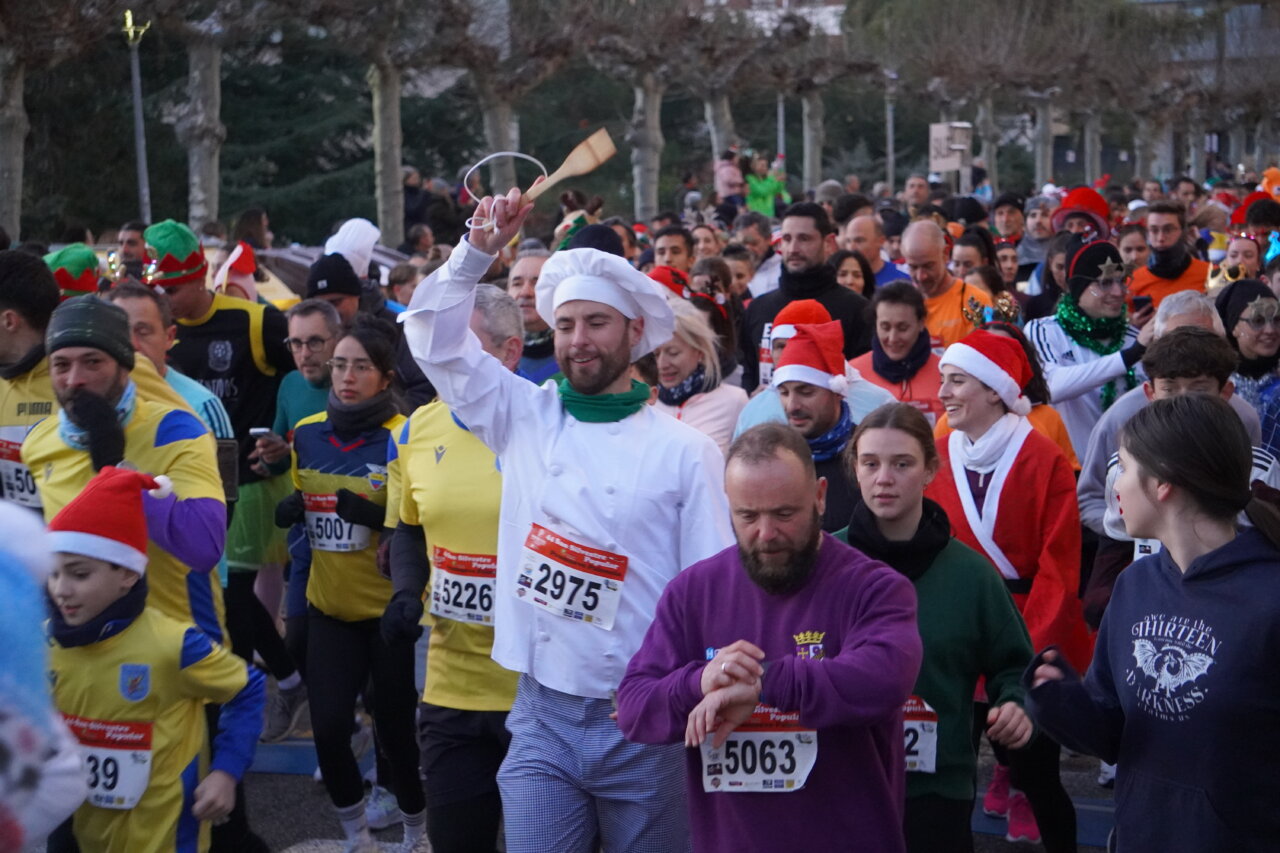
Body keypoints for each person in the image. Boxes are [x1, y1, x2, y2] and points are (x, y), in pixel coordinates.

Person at [400, 186, 734, 852]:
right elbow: (432, 341)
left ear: (635, 332)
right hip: (542, 713)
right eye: (567, 324)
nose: (579, 341)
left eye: (597, 323)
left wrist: (711, 688)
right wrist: (474, 253)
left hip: (645, 717)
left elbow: (714, 594)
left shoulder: (685, 451)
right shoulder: (522, 415)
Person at [616, 422, 923, 853]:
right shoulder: (692, 592)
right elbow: (633, 707)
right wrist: (701, 682)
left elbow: (885, 679)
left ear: (819, 497)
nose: (765, 533)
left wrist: (761, 683)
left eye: (784, 513)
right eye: (747, 515)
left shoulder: (874, 587)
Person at [1026, 394, 1280, 851]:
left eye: (1122, 466)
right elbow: (1116, 733)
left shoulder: (1269, 598)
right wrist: (1063, 703)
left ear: (1162, 483)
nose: (1114, 485)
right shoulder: (1135, 584)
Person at [838, 404, 1033, 853]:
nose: (884, 478)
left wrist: (1018, 705)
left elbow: (1017, 669)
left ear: (930, 471)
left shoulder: (971, 576)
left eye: (902, 464)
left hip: (936, 793)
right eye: (870, 463)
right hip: (839, 785)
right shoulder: (824, 564)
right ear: (855, 469)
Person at [925, 329, 1088, 852]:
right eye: (943, 380)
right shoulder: (939, 451)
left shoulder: (1043, 459)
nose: (943, 392)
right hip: (954, 633)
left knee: (1037, 773)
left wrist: (1025, 655)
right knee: (947, 772)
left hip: (1023, 628)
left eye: (956, 381)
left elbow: (1060, 568)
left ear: (994, 390)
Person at [45, 466, 265, 853]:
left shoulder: (172, 644)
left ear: (127, 574)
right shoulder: (45, 640)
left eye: (79, 574)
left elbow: (248, 688)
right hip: (79, 832)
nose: (62, 590)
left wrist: (226, 773)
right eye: (54, 574)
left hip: (163, 837)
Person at [380, 284, 522, 853]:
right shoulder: (415, 431)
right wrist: (406, 593)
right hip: (452, 685)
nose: (447, 362)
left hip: (537, 691)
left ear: (510, 352)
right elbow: (409, 527)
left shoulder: (544, 424)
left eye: (463, 347)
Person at [274, 316, 423, 852]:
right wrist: (294, 510)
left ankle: (414, 833)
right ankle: (356, 837)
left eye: (361, 367)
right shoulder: (308, 433)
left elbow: (417, 518)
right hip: (330, 609)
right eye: (340, 365)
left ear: (385, 378)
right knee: (331, 729)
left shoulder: (401, 435)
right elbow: (307, 507)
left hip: (388, 615)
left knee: (398, 735)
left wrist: (370, 510)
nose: (346, 376)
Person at [21, 295, 227, 639]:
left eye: (92, 362)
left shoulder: (176, 431)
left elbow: (204, 548)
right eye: (61, 365)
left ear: (124, 366)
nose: (75, 380)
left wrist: (115, 470)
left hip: (177, 653)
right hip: (82, 653)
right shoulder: (38, 441)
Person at [1077, 292, 1261, 540]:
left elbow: (1254, 494)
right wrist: (1135, 533)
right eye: (1176, 338)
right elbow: (1091, 499)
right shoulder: (1121, 418)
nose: (1188, 350)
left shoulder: (1244, 417)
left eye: (1201, 338)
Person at [1025, 236, 1153, 459]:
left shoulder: (1136, 340)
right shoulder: (1044, 331)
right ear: (1077, 288)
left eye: (1122, 281)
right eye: (1104, 283)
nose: (1118, 292)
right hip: (1069, 473)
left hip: (1126, 476)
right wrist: (1128, 357)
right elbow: (1051, 386)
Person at [739, 203, 872, 391]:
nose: (793, 248)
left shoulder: (857, 310)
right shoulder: (758, 308)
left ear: (828, 243)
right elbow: (749, 374)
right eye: (786, 238)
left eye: (804, 239)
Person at [102, 282, 234, 442]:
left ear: (169, 337)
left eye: (143, 332)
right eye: (121, 332)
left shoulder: (201, 405)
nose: (133, 344)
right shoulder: (94, 396)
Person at [772, 321, 863, 531]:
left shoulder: (867, 453)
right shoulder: (774, 455)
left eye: (805, 392)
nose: (792, 406)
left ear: (837, 392)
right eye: (784, 393)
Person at [653, 300, 748, 455]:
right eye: (656, 354)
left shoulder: (734, 401)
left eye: (673, 353)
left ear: (699, 352)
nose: (662, 364)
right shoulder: (646, 403)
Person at [850, 282, 944, 424]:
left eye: (903, 328)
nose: (893, 338)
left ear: (921, 323)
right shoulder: (853, 375)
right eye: (885, 327)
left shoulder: (944, 374)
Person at [901, 220, 992, 351]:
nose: (921, 276)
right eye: (913, 267)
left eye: (928, 266)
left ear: (945, 254)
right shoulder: (901, 305)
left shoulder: (976, 301)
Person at [1129, 200, 1210, 309]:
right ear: (1147, 233)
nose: (1161, 238)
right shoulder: (1133, 281)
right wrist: (1134, 323)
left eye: (1168, 230)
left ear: (1183, 232)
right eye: (1154, 230)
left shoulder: (1209, 274)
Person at [1216, 277, 1280, 411]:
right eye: (1258, 321)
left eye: (1277, 320)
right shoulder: (1218, 380)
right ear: (1234, 328)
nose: (1270, 330)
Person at [503, 249, 558, 384]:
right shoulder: (491, 356)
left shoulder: (578, 355)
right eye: (517, 283)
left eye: (537, 283)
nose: (525, 292)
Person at [847, 215, 910, 287]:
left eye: (859, 241)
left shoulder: (903, 278)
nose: (851, 248)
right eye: (848, 241)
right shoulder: (840, 280)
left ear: (880, 241)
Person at [732, 211, 782, 299]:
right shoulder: (729, 270)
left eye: (753, 243)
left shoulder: (782, 270)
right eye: (742, 244)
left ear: (768, 239)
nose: (747, 249)